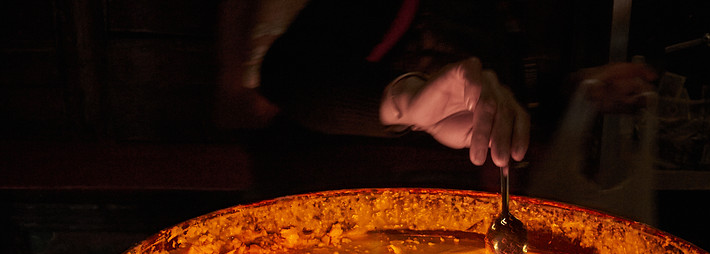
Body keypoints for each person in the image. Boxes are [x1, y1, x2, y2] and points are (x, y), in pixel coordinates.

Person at [216, 0, 656, 192]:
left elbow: (506, 103)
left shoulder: (512, 14)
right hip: (339, 224)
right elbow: (287, 74)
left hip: (454, 236)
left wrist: (582, 91)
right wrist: (408, 101)